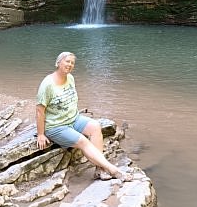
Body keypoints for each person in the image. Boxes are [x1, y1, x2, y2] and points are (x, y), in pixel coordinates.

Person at [36, 51, 132, 182]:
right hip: (56, 126)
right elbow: (40, 111)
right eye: (67, 61)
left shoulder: (70, 78)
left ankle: (99, 170)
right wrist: (41, 134)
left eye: (72, 63)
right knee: (83, 141)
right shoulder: (47, 84)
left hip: (73, 119)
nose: (69, 64)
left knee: (95, 126)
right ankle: (113, 170)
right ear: (58, 63)